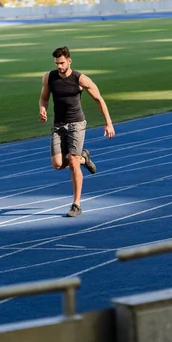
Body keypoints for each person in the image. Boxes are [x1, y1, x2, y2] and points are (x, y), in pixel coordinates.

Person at [39, 46, 115, 217]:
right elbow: (44, 98)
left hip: (76, 124)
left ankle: (76, 204)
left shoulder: (80, 79)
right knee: (57, 164)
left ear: (69, 61)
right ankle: (84, 158)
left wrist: (108, 123)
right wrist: (42, 109)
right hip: (58, 125)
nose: (59, 66)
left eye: (62, 63)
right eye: (57, 63)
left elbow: (98, 99)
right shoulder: (49, 77)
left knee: (72, 163)